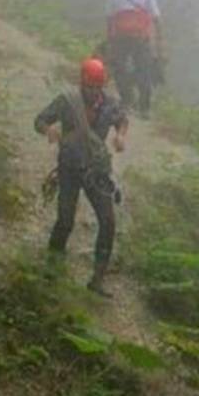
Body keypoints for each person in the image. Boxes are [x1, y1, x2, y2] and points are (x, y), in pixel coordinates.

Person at [34, 57, 128, 296]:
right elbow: (40, 120)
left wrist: (120, 136)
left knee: (108, 221)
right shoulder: (68, 101)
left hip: (97, 169)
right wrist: (49, 130)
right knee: (65, 220)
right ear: (82, 83)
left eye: (97, 87)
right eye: (89, 86)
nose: (93, 91)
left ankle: (97, 279)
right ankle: (52, 270)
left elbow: (122, 120)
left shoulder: (110, 104)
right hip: (69, 167)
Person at [105, 0, 163, 118]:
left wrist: (159, 42)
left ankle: (144, 107)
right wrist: (109, 40)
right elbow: (109, 18)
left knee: (144, 72)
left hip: (141, 39)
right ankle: (127, 99)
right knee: (118, 68)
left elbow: (156, 18)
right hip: (120, 38)